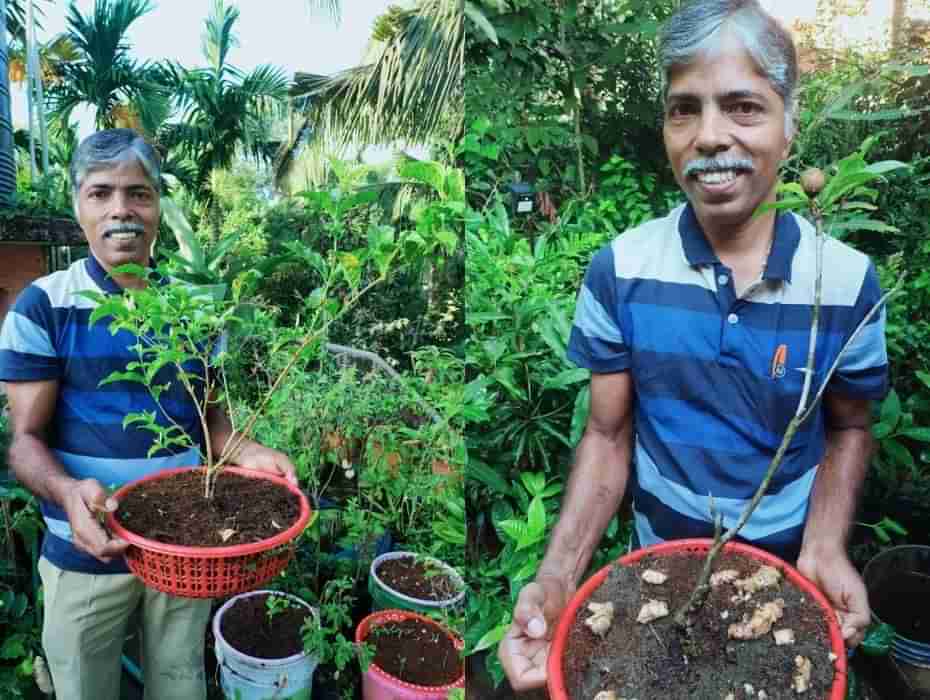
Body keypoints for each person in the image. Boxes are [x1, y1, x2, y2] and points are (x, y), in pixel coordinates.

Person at [499, 0, 888, 691]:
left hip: (788, 578)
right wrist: (559, 575)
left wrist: (825, 545)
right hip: (655, 572)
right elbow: (608, 436)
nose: (709, 135)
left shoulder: (847, 283)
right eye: (685, 109)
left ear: (789, 127)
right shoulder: (621, 270)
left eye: (743, 107)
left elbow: (849, 427)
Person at [0, 129, 297, 700]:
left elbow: (213, 425)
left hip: (185, 552)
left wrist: (252, 453)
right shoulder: (45, 307)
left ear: (159, 204)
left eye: (138, 193)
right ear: (77, 205)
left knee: (179, 682)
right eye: (101, 193)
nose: (121, 211)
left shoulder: (196, 310)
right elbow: (24, 442)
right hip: (86, 548)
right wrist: (66, 492)